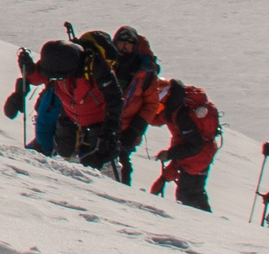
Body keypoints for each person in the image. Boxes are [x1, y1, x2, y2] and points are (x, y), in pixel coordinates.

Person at [15, 30, 123, 169]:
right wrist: (29, 70)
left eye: (58, 78)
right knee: (65, 152)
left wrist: (110, 134)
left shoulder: (95, 67)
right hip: (71, 116)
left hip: (98, 122)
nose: (56, 80)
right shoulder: (57, 64)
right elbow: (39, 76)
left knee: (101, 162)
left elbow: (114, 99)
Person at [145, 77, 221, 211]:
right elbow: (156, 119)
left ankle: (203, 227)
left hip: (197, 159)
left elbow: (194, 146)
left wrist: (170, 154)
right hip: (199, 158)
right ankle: (207, 225)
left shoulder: (180, 115)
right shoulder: (174, 106)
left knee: (188, 197)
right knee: (193, 195)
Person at [109, 26, 161, 185]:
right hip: (103, 121)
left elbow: (151, 104)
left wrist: (135, 130)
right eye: (121, 44)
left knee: (122, 163)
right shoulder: (106, 63)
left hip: (126, 129)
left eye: (128, 45)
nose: (124, 48)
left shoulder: (145, 73)